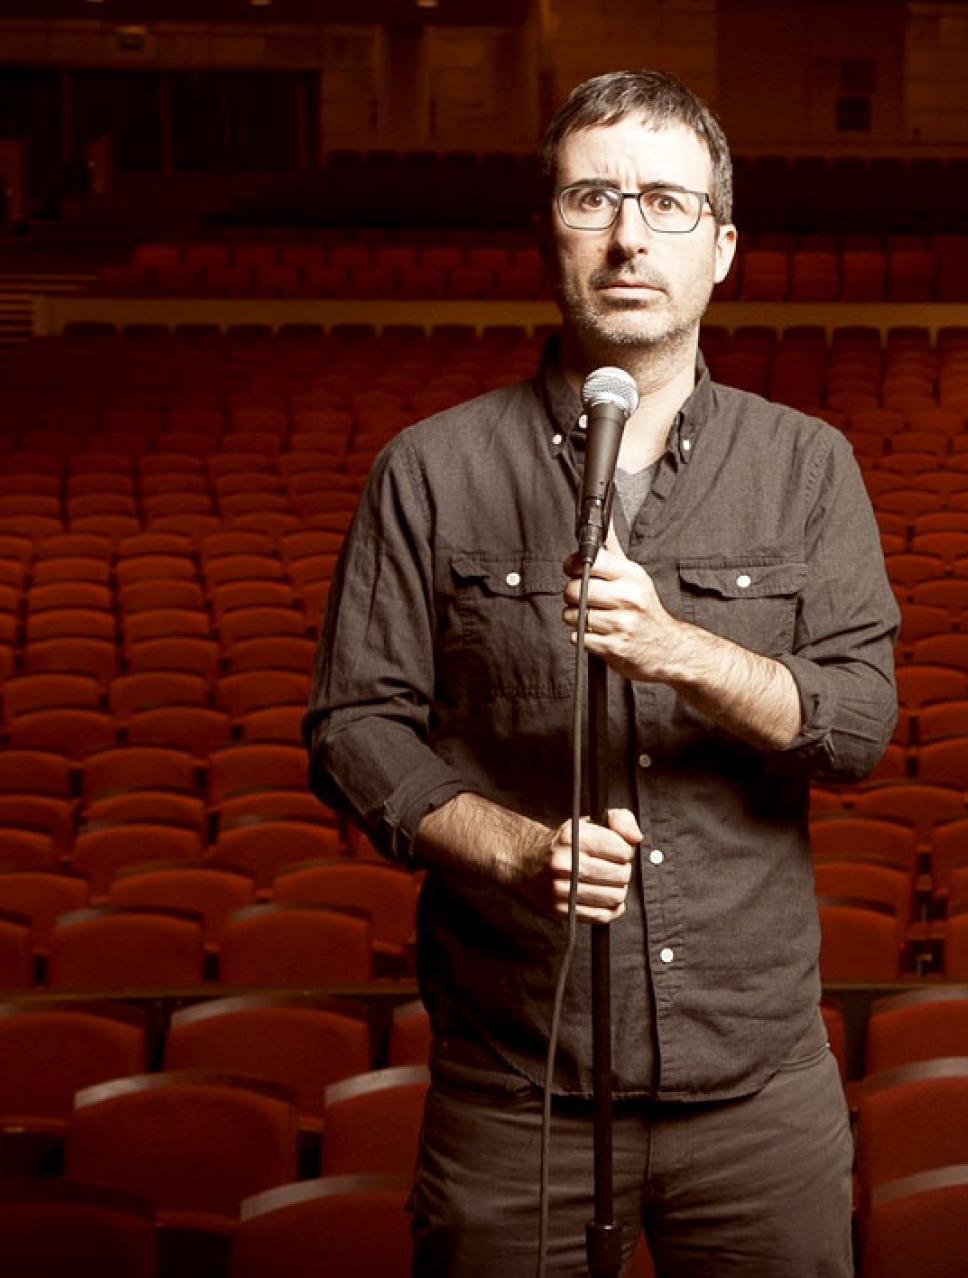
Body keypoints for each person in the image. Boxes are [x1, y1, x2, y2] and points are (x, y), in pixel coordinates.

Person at [305, 68, 899, 1277]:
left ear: (722, 248)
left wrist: (675, 647)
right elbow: (355, 732)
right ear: (552, 231)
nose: (631, 234)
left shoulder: (810, 465)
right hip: (518, 1083)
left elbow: (859, 724)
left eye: (669, 204)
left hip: (759, 1095)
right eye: (594, 198)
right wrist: (517, 850)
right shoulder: (428, 469)